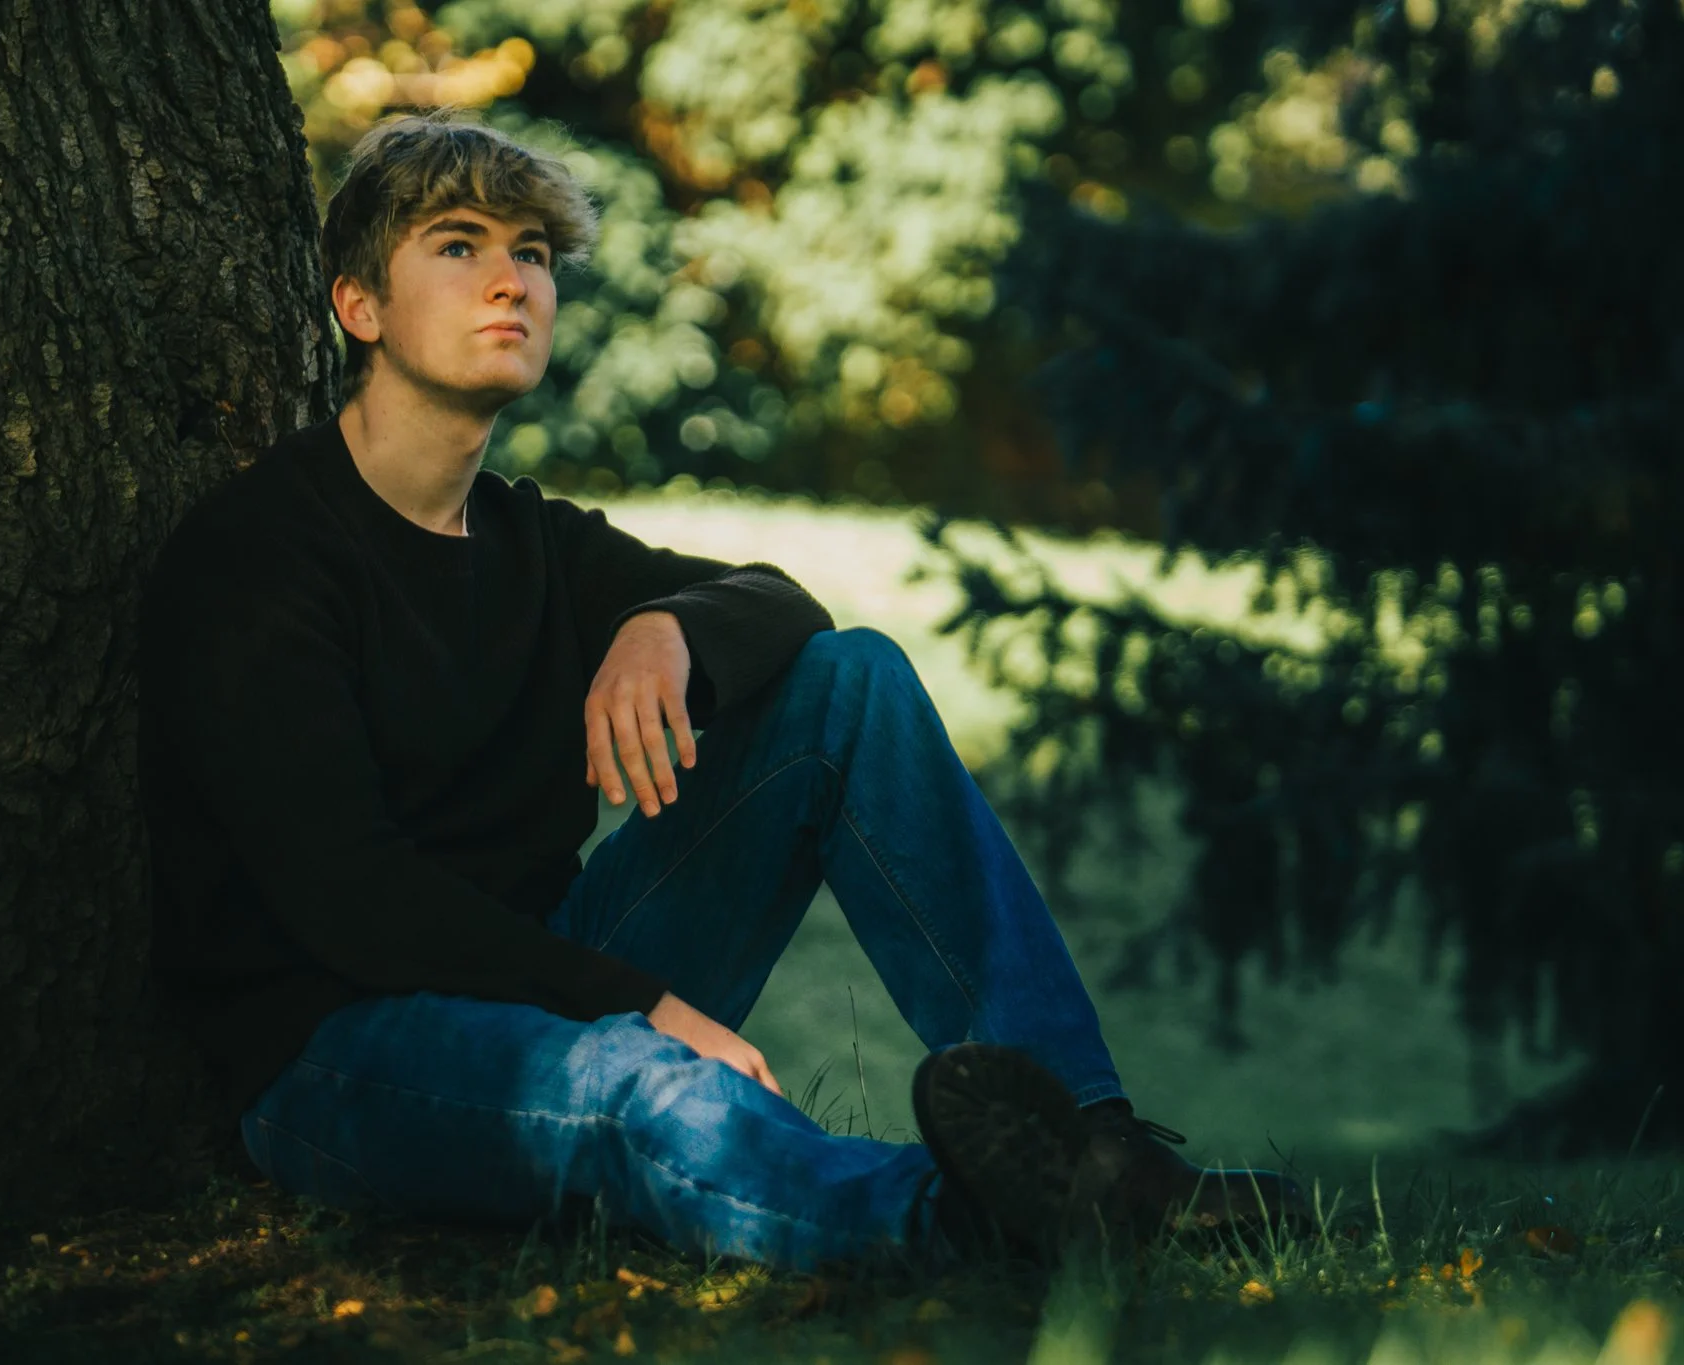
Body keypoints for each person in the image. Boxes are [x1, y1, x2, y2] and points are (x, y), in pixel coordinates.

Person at [136, 109, 1310, 1276]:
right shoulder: (260, 553)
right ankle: (957, 1221)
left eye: (532, 255)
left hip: (547, 973)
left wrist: (664, 629)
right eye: (458, 245)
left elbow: (779, 602)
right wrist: (643, 1004)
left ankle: (1093, 1147)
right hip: (339, 1050)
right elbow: (353, 901)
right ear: (359, 306)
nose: (509, 281)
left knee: (851, 681)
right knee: (630, 1085)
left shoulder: (535, 541)